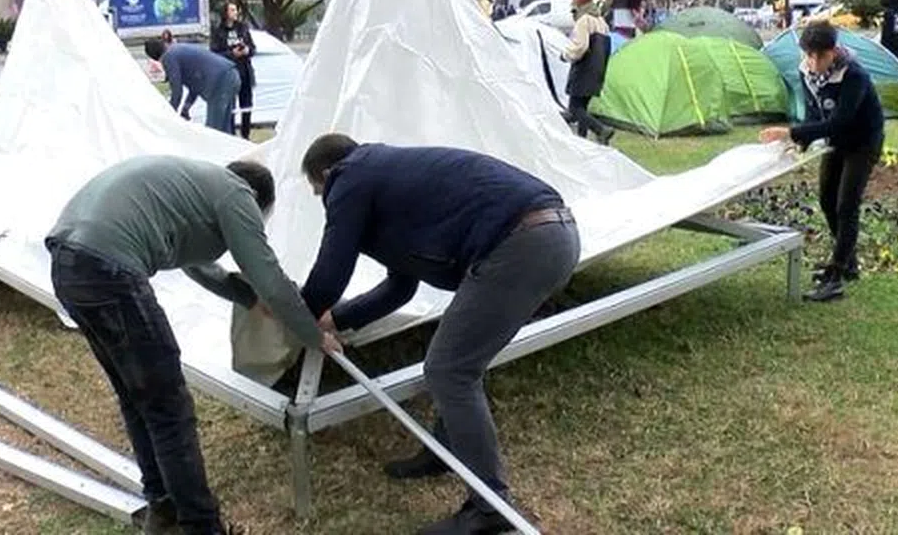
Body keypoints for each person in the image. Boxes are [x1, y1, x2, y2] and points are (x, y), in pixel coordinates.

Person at [299, 134, 580, 535]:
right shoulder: (388, 180)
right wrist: (336, 319)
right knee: (462, 365)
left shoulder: (350, 176)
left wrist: (301, 314)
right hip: (552, 236)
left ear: (327, 174)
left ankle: (490, 510)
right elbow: (401, 287)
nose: (324, 200)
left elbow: (331, 271)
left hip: (520, 242)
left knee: (450, 371)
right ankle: (446, 450)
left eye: (318, 192)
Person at [45, 155, 340, 535]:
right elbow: (267, 274)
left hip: (68, 265)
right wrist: (313, 333)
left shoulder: (196, 187)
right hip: (109, 268)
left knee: (141, 398)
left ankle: (164, 510)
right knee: (169, 406)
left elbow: (199, 265)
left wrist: (248, 299)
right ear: (259, 202)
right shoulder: (237, 195)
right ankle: (201, 526)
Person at [759, 22, 885, 302]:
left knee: (846, 206)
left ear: (833, 51)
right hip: (835, 143)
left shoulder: (854, 75)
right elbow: (815, 117)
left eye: (820, 56)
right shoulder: (805, 72)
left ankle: (836, 275)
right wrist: (798, 141)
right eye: (809, 55)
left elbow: (839, 122)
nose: (814, 62)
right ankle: (848, 263)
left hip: (862, 143)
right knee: (827, 201)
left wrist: (792, 131)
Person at [144, 39, 240, 134]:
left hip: (219, 82)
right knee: (224, 129)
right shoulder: (178, 50)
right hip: (231, 74)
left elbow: (177, 91)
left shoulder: (168, 57)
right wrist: (186, 107)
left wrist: (170, 115)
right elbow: (195, 87)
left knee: (213, 131)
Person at [562, 0, 615, 144]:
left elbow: (580, 46)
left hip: (584, 69)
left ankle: (601, 130)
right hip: (597, 71)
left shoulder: (584, 20)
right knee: (583, 108)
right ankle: (582, 140)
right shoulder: (602, 22)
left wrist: (565, 55)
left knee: (574, 109)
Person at [209, 2, 257, 139]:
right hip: (229, 72)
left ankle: (246, 134)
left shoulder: (243, 28)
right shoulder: (218, 31)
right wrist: (232, 54)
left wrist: (248, 50)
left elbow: (253, 48)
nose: (235, 12)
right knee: (231, 105)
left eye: (236, 10)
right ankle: (230, 134)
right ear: (225, 12)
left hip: (245, 72)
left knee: (247, 104)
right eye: (232, 10)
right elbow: (214, 54)